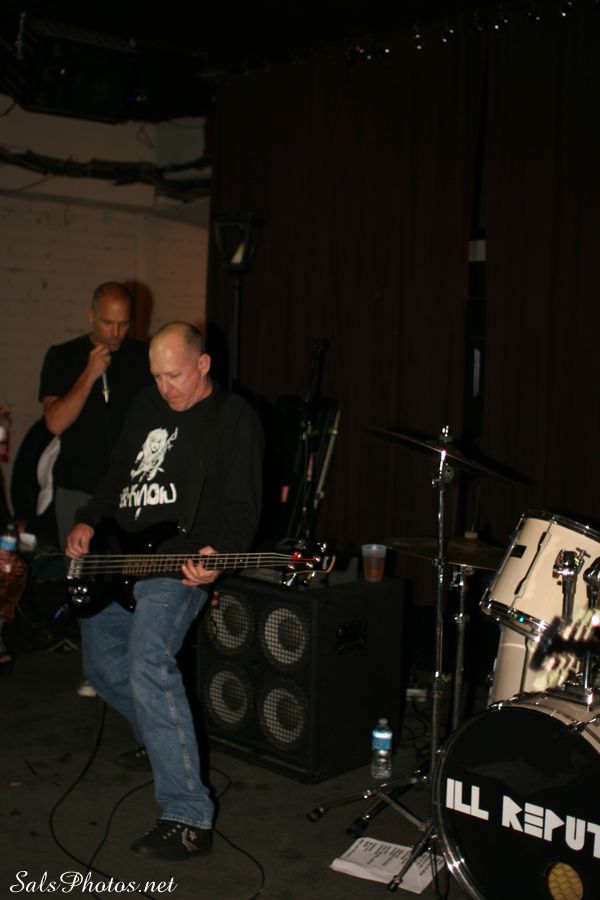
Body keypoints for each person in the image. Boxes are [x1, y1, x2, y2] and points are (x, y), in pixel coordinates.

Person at [65, 322, 264, 860]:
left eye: (173, 375)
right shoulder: (145, 405)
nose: (164, 387)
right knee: (103, 668)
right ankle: (160, 736)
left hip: (177, 564)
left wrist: (220, 554)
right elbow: (117, 474)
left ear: (202, 365)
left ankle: (187, 815)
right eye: (156, 376)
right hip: (117, 556)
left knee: (148, 663)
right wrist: (88, 518)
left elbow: (242, 507)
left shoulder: (233, 418)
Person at [39, 282, 153, 695]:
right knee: (87, 578)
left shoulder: (144, 356)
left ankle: (134, 665)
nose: (116, 333)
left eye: (123, 324)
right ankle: (97, 668)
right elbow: (55, 422)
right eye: (107, 323)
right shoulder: (63, 356)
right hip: (79, 488)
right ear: (91, 316)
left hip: (130, 491)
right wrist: (89, 373)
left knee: (130, 577)